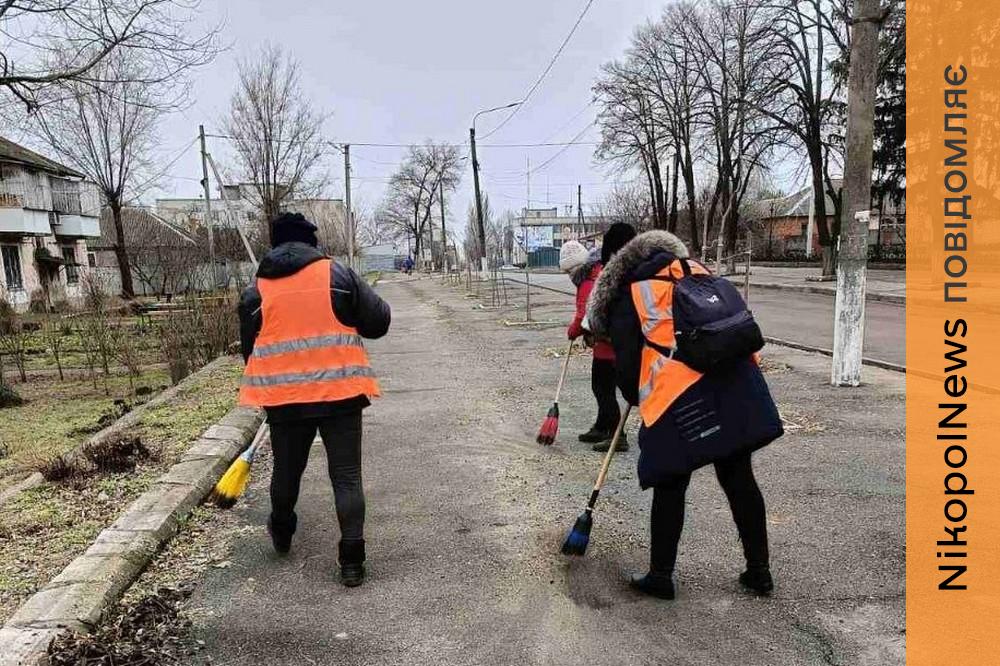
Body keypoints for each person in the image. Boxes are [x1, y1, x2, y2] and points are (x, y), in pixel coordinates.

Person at [586, 229, 783, 600]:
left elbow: (628, 374)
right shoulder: (695, 268)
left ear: (617, 262)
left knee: (670, 481)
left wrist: (636, 394)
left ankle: (661, 576)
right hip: (736, 381)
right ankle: (759, 571)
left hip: (681, 394)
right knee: (739, 476)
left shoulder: (633, 290)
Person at [238, 212, 391, 587]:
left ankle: (282, 529)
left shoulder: (256, 290)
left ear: (274, 243)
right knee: (346, 477)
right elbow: (379, 322)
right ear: (311, 241)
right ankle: (352, 560)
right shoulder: (337, 276)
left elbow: (249, 352)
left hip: (285, 399)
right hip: (340, 394)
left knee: (287, 471)